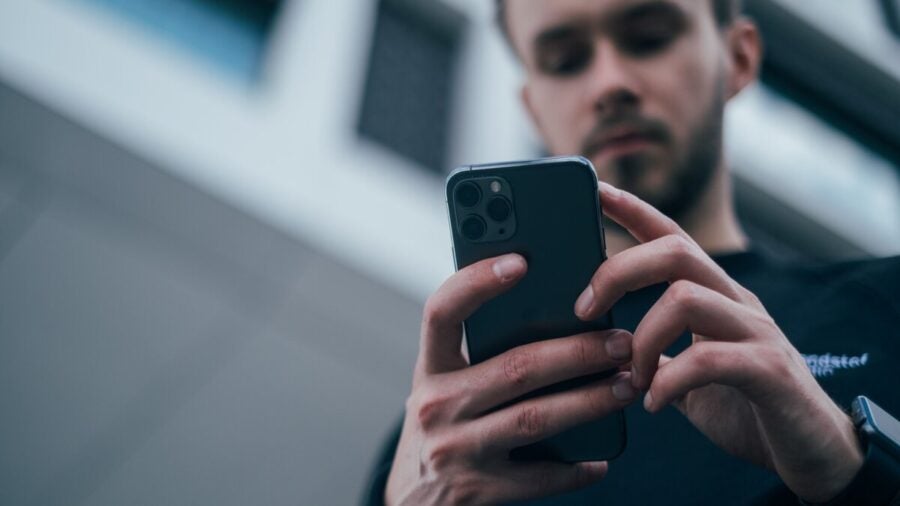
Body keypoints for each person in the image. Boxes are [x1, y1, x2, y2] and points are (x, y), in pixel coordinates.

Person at [365, 1, 900, 504]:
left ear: (736, 59)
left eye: (649, 39)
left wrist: (851, 467)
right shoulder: (444, 436)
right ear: (533, 108)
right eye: (565, 61)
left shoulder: (886, 305)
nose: (610, 84)